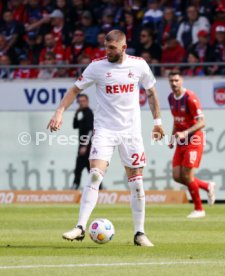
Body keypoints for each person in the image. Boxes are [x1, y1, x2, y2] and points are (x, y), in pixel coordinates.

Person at [47, 30, 165, 246]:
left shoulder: (139, 65)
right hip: (104, 131)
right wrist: (59, 112)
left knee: (137, 184)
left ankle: (140, 233)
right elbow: (74, 90)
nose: (107, 51)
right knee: (94, 176)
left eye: (111, 48)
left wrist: (158, 123)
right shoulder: (97, 67)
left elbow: (151, 93)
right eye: (105, 47)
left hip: (131, 132)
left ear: (123, 47)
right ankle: (80, 227)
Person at [167, 70, 216, 219]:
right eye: (171, 81)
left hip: (194, 140)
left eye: (176, 80)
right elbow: (177, 119)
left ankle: (199, 209)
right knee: (177, 176)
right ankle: (207, 186)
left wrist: (185, 133)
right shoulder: (171, 98)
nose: (174, 84)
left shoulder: (190, 98)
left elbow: (202, 122)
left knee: (187, 176)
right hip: (181, 141)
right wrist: (172, 137)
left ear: (182, 80)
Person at [72, 94, 94, 190]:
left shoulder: (89, 113)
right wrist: (76, 114)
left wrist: (85, 145)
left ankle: (99, 190)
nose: (81, 103)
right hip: (82, 147)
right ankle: (75, 188)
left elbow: (90, 130)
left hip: (88, 148)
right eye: (79, 101)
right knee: (78, 170)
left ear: (87, 101)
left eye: (83, 101)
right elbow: (75, 125)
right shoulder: (82, 113)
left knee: (91, 172)